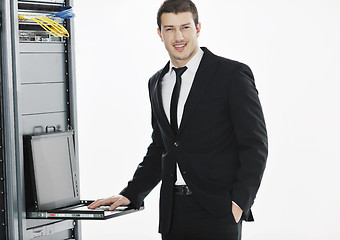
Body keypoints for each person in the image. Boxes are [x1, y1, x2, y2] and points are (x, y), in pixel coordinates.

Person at [88, 0, 268, 239]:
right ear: (159, 33)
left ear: (198, 28)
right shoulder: (157, 82)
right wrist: (131, 194)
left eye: (185, 27)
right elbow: (162, 147)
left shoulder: (231, 75)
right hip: (174, 214)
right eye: (169, 29)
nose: (178, 36)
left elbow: (254, 145)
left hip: (219, 211)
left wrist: (239, 203)